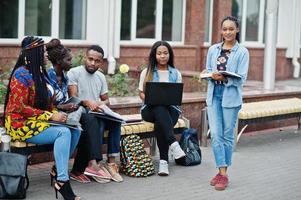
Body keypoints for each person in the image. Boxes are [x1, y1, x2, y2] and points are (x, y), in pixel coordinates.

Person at [3, 36, 81, 199]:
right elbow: (19, 107)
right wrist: (51, 115)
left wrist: (58, 111)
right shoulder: (21, 75)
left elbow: (45, 102)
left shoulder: (39, 73)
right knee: (63, 133)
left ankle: (56, 170)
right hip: (19, 123)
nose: (46, 55)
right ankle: (62, 180)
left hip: (36, 120)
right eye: (43, 51)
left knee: (75, 130)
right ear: (33, 53)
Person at [204, 16, 249, 191]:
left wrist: (224, 78)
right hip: (214, 95)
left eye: (231, 29)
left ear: (237, 30)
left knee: (227, 136)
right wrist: (210, 75)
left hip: (231, 97)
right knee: (215, 135)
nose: (228, 32)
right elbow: (209, 70)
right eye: (225, 29)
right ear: (221, 31)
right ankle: (222, 172)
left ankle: (223, 173)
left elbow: (241, 78)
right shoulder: (213, 50)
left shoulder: (242, 52)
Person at [67, 45, 123, 183]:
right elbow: (73, 98)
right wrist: (88, 102)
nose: (93, 63)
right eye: (90, 59)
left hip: (95, 113)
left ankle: (111, 163)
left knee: (116, 121)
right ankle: (93, 164)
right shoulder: (74, 72)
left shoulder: (100, 76)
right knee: (96, 125)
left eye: (97, 61)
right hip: (80, 113)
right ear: (85, 58)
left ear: (101, 62)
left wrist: (100, 105)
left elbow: (106, 99)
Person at [138, 41, 186, 176]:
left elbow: (177, 95)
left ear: (170, 55)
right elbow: (141, 93)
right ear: (154, 55)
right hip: (149, 110)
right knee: (158, 106)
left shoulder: (176, 73)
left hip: (171, 110)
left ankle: (164, 163)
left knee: (161, 118)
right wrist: (149, 98)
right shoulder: (146, 72)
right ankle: (173, 144)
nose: (162, 56)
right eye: (159, 53)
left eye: (165, 53)